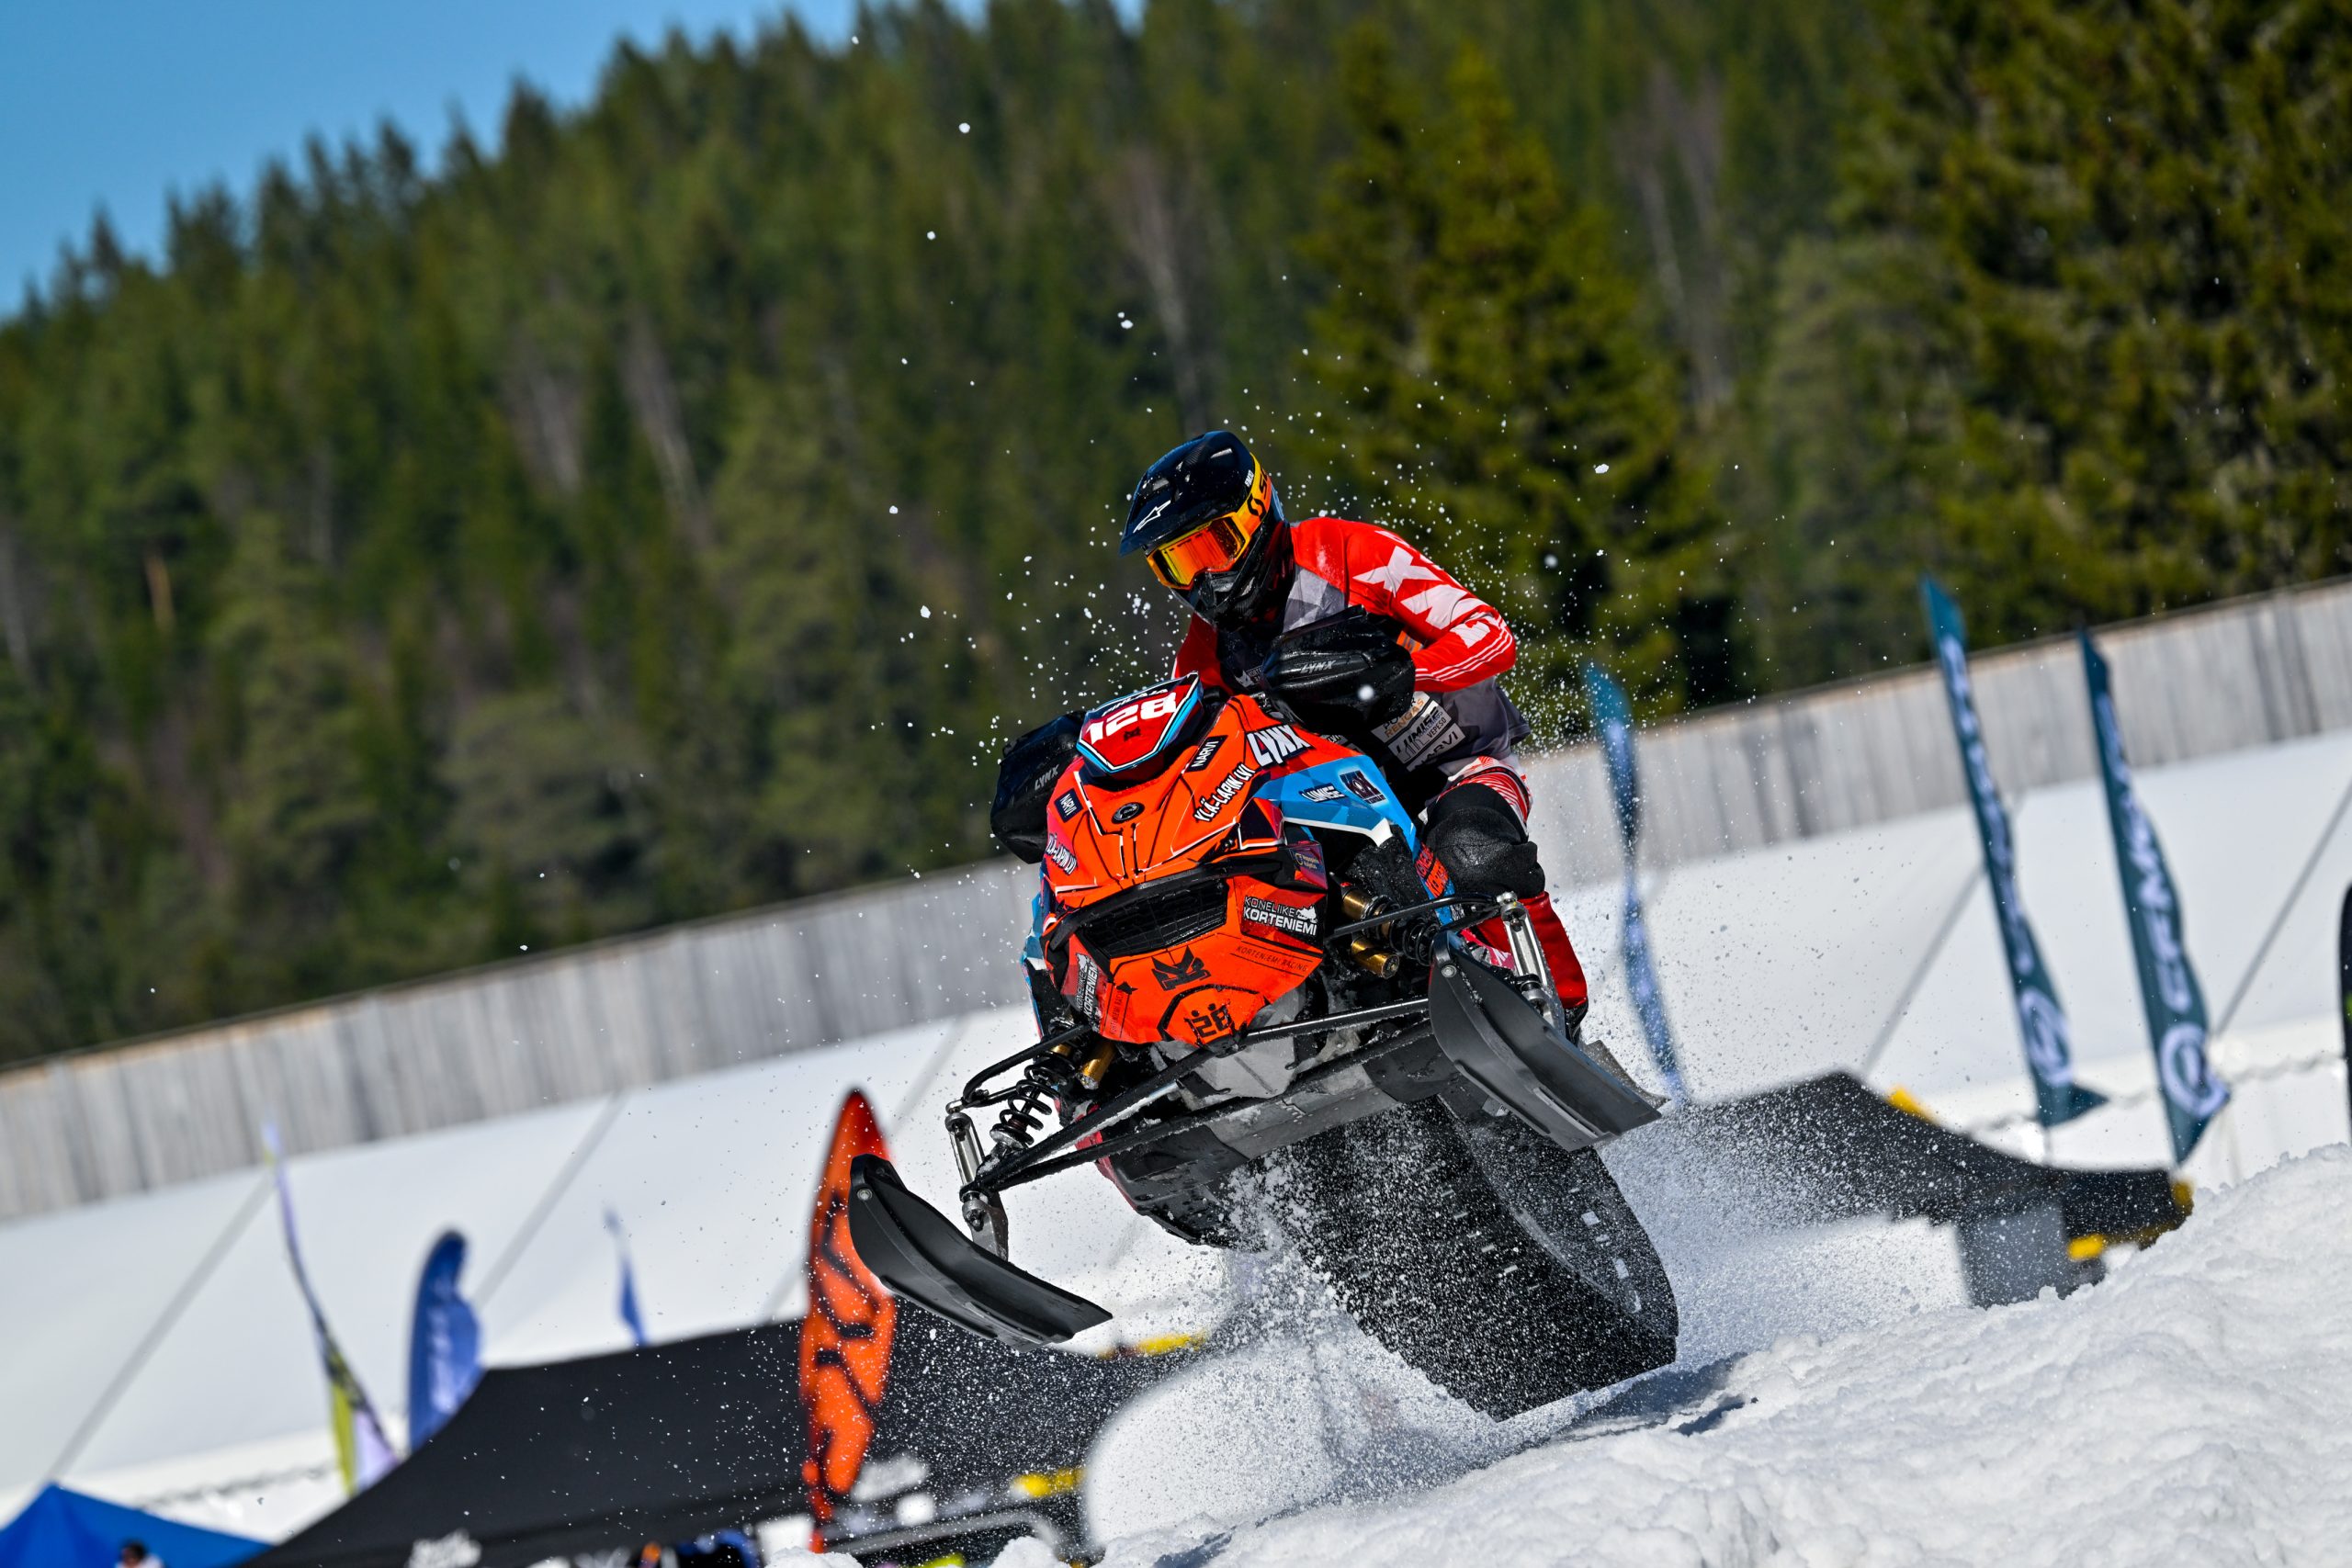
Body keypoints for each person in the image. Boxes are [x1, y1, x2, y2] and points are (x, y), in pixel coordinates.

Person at [1117, 429, 1588, 1020]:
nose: (1202, 582)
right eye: (1177, 564)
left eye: (1212, 548)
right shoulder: (1203, 654)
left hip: (1454, 764)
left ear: (1257, 511)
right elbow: (1191, 761)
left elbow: (1490, 635)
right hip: (1336, 806)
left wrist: (1403, 674)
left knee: (1473, 854)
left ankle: (1563, 1014)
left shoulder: (1351, 553)